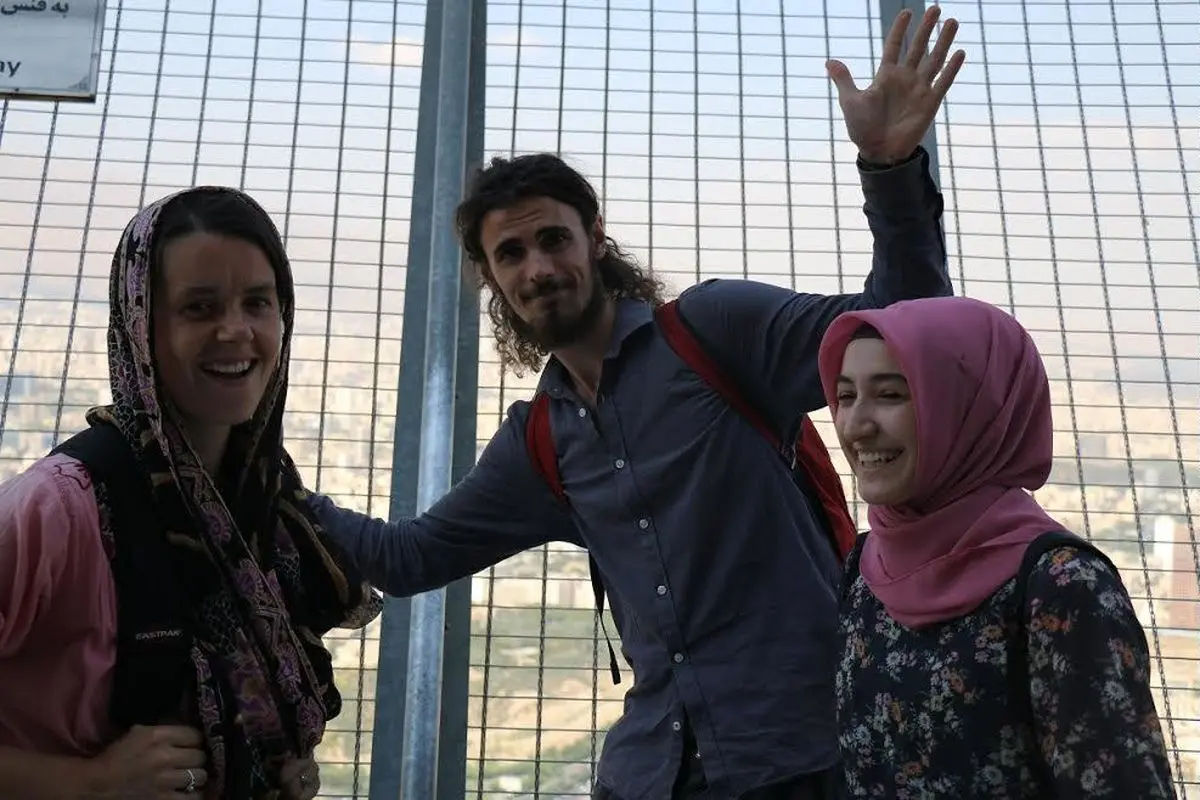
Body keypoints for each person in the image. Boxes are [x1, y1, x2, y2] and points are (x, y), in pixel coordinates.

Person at [311, 8, 962, 799]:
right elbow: (409, 558)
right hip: (651, 772)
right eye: (510, 253)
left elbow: (904, 331)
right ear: (490, 279)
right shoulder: (541, 440)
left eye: (553, 239)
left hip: (799, 759)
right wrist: (254, 476)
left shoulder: (714, 334)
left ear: (594, 238)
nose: (537, 268)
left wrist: (889, 170)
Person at [0, 187, 382, 800]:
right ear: (142, 327)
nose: (236, 330)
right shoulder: (59, 510)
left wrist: (272, 763)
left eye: (258, 303)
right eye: (200, 308)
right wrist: (90, 782)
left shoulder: (264, 501)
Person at [819, 295, 1178, 798]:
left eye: (891, 395)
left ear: (968, 408)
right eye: (846, 395)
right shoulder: (865, 569)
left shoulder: (1060, 586)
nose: (855, 425)